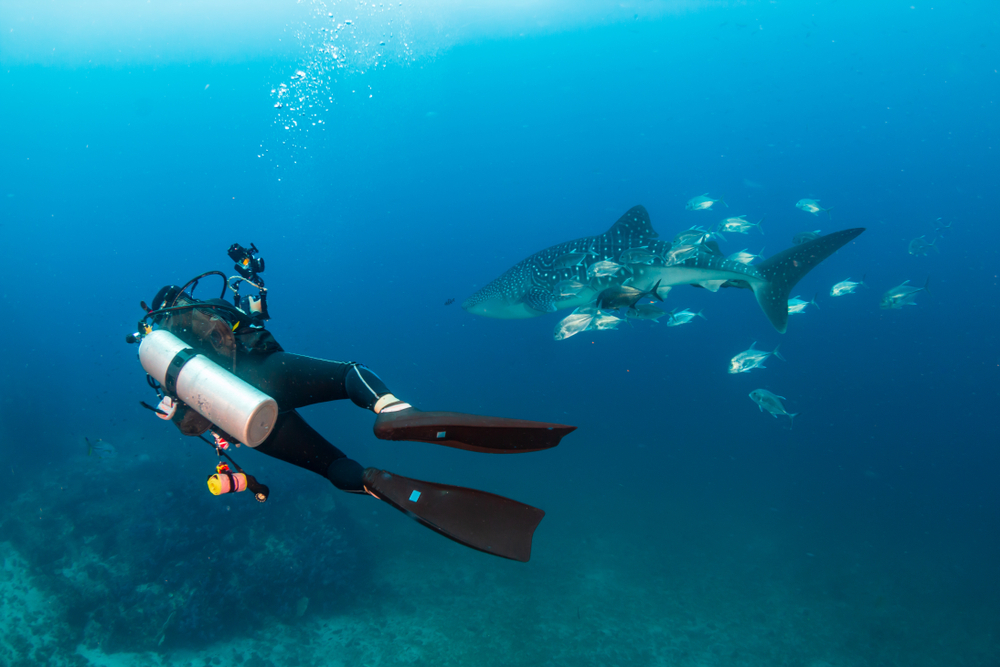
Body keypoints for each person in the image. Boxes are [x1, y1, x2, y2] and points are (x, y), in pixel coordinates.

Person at [129, 243, 575, 562]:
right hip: (266, 373)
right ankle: (394, 413)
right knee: (346, 375)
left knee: (330, 465)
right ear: (184, 298)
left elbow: (190, 419)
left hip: (244, 417)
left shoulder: (163, 362)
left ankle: (374, 482)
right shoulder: (209, 307)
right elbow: (252, 328)